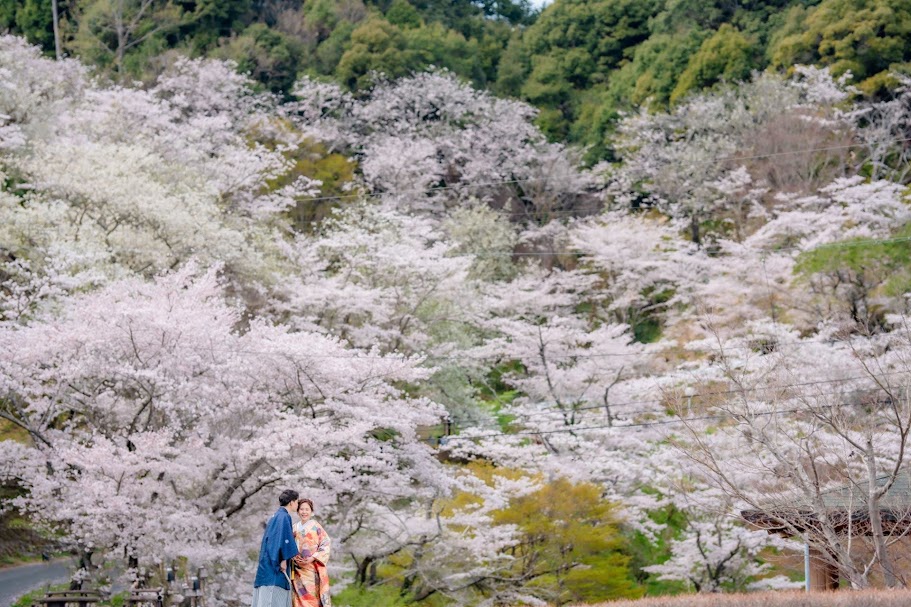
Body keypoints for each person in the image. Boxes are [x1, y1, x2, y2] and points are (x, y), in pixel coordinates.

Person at [252, 489, 301, 607]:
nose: (298, 505)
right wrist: (284, 559)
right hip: (276, 566)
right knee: (274, 601)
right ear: (291, 502)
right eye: (297, 502)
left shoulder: (275, 516)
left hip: (267, 563)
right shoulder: (284, 517)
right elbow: (283, 539)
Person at [290, 498, 331, 607]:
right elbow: (288, 545)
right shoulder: (294, 527)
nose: (304, 512)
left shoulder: (316, 527)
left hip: (312, 568)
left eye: (307, 509)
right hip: (298, 569)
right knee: (297, 600)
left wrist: (313, 557)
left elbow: (325, 543)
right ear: (298, 511)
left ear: (311, 511)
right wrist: (293, 556)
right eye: (301, 509)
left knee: (312, 598)